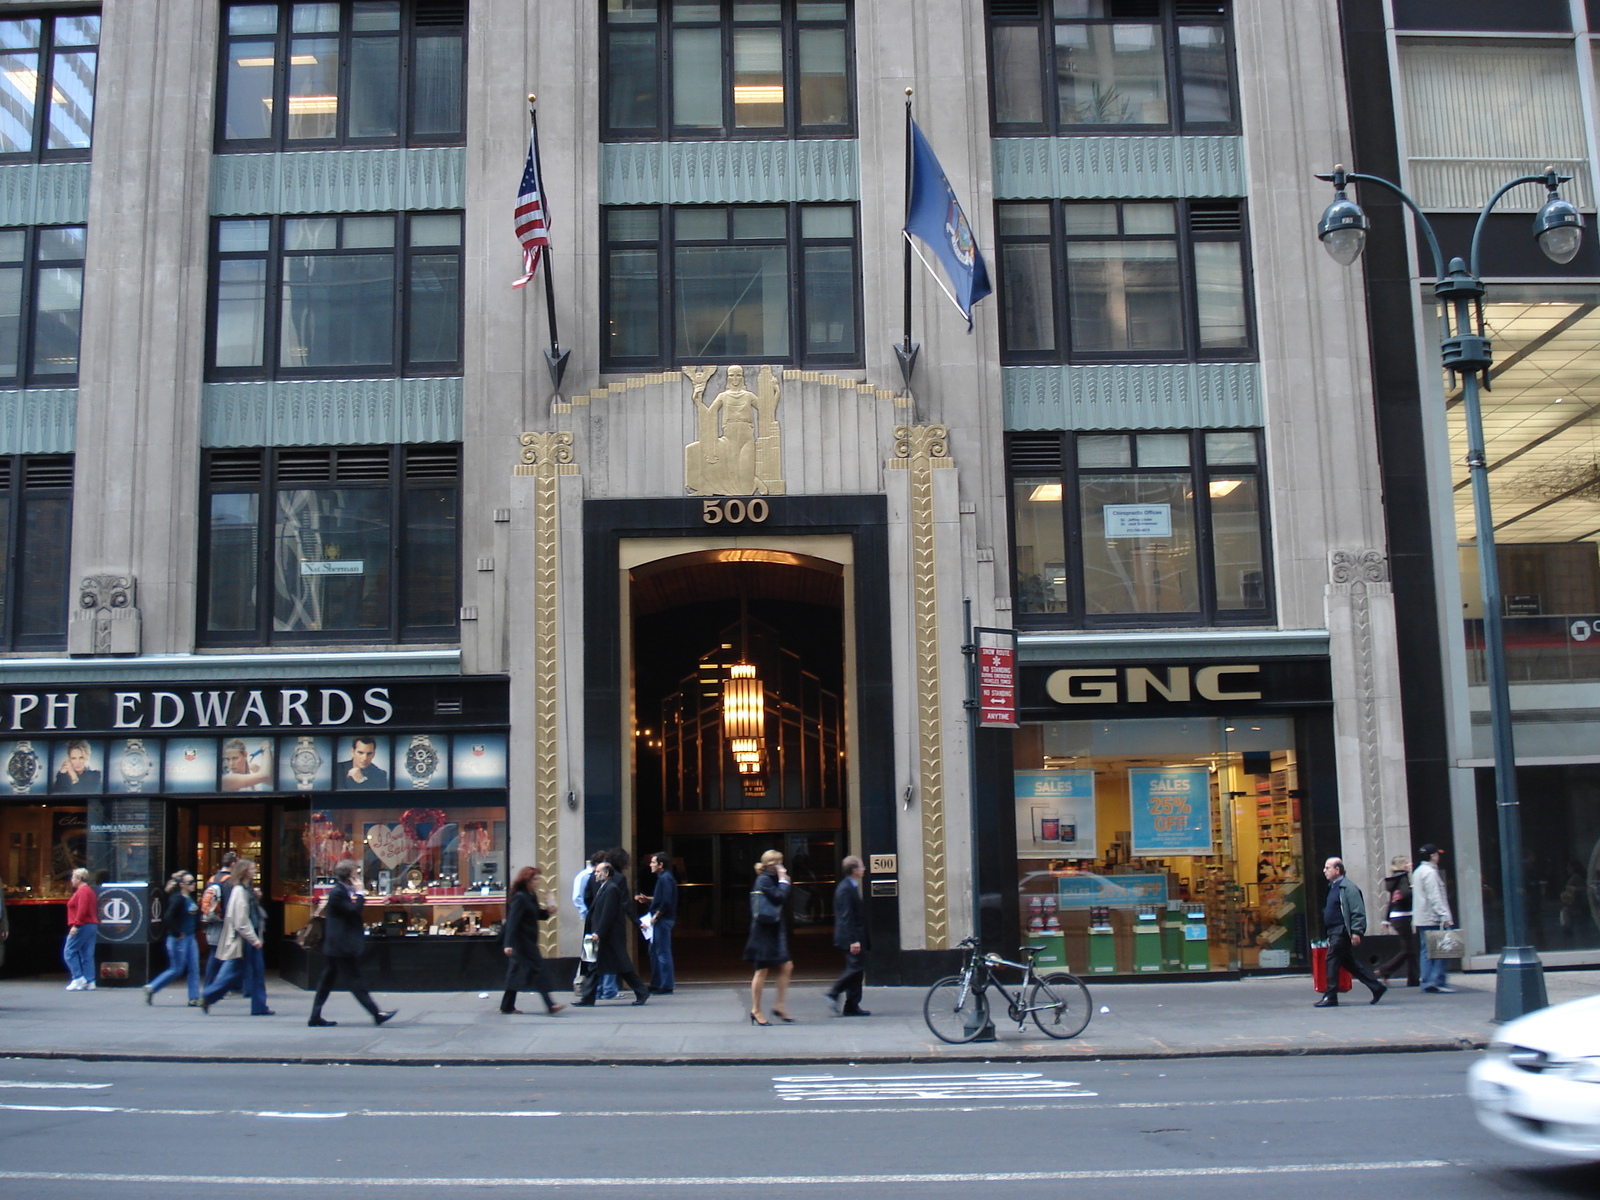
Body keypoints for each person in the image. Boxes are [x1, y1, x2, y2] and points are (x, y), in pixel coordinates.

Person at [308, 859, 395, 1027]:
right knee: (355, 981)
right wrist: (361, 893)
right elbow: (354, 911)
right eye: (355, 873)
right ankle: (376, 1013)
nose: (358, 876)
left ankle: (314, 1016)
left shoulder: (342, 891)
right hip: (340, 946)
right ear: (349, 876)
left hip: (337, 945)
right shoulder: (338, 893)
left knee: (326, 982)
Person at [200, 858, 273, 1015]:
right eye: (252, 868)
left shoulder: (245, 890)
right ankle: (209, 996)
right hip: (246, 938)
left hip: (245, 937)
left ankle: (210, 996)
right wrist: (254, 939)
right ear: (245, 872)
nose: (255, 871)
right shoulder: (240, 891)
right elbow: (241, 919)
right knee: (252, 972)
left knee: (238, 971)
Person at [573, 862, 649, 1006]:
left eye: (598, 871)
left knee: (621, 965)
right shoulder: (604, 888)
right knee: (593, 965)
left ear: (607, 873)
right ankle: (588, 998)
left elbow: (608, 913)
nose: (595, 874)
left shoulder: (611, 889)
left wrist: (599, 932)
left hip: (607, 936)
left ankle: (641, 991)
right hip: (601, 935)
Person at [1316, 857, 1386, 1008]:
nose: (1324, 871)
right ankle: (1376, 987)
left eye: (1327, 868)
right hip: (1333, 930)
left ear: (1337, 870)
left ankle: (1331, 995)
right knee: (1349, 963)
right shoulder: (1332, 887)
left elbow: (1357, 911)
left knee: (1332, 959)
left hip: (1341, 931)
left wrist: (1356, 932)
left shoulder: (1348, 888)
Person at [500, 865, 563, 1015]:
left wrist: (548, 912)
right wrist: (508, 944)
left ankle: (507, 1006)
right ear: (526, 880)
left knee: (515, 972)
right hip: (521, 942)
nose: (537, 882)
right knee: (538, 969)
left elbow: (535, 914)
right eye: (535, 879)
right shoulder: (520, 897)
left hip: (528, 940)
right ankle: (550, 1004)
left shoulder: (530, 896)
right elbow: (512, 922)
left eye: (538, 879)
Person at [745, 849, 793, 1025]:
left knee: (786, 965)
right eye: (779, 862)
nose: (782, 865)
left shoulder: (770, 879)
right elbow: (779, 897)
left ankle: (779, 1005)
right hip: (763, 930)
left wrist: (782, 881)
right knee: (762, 969)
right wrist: (783, 880)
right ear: (772, 864)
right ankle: (756, 1009)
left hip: (774, 928)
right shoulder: (764, 879)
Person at [823, 855, 870, 1017]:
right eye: (862, 867)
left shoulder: (851, 886)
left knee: (857, 970)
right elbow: (846, 917)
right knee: (855, 967)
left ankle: (852, 1004)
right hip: (850, 936)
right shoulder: (845, 889)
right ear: (854, 870)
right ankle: (834, 992)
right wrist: (853, 940)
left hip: (856, 935)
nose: (864, 869)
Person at [144, 871, 201, 1005]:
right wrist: (176, 933)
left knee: (194, 967)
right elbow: (168, 917)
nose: (193, 885)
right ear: (182, 885)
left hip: (190, 937)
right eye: (190, 883)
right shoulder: (178, 899)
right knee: (177, 968)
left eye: (194, 882)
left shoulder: (189, 898)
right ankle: (152, 987)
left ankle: (194, 997)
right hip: (179, 938)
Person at [571, 851, 616, 1000]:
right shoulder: (587, 876)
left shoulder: (607, 885)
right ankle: (585, 986)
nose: (596, 875)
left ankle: (593, 991)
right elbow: (578, 897)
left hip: (594, 922)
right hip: (591, 922)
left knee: (594, 956)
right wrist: (588, 915)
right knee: (590, 955)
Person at [1413, 843, 1456, 993]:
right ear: (1432, 856)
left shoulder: (1418, 871)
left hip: (1421, 917)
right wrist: (1444, 915)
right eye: (1437, 854)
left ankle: (1426, 980)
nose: (1438, 856)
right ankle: (1436, 980)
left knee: (1426, 950)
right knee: (1442, 950)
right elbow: (1435, 897)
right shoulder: (1430, 873)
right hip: (1432, 917)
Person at [635, 851, 677, 995]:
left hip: (662, 920)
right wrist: (648, 899)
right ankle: (657, 982)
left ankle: (666, 984)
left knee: (662, 952)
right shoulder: (664, 878)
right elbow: (662, 898)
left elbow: (665, 902)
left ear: (661, 864)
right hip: (661, 919)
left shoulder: (665, 879)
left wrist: (656, 916)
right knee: (654, 951)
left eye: (653, 862)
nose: (650, 865)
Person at [1377, 854, 1419, 987]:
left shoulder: (1394, 879)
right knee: (1407, 949)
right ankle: (1385, 970)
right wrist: (1413, 890)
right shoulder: (1403, 878)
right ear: (1402, 865)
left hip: (1396, 916)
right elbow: (1405, 894)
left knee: (1410, 949)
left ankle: (1413, 978)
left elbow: (1391, 900)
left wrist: (1386, 919)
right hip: (1403, 916)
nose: (1410, 865)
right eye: (1407, 863)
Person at [200, 851, 237, 989]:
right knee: (225, 955)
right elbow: (229, 904)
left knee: (214, 953)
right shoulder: (230, 881)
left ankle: (209, 984)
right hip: (224, 922)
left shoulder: (211, 879)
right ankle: (219, 986)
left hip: (212, 920)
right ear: (233, 864)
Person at [63, 866, 97, 991]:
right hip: (91, 925)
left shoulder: (82, 892)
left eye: (73, 877)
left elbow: (82, 910)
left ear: (79, 878)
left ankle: (78, 978)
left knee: (69, 952)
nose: (71, 880)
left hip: (82, 925)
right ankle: (90, 980)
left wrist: (76, 925)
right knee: (87, 954)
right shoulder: (89, 891)